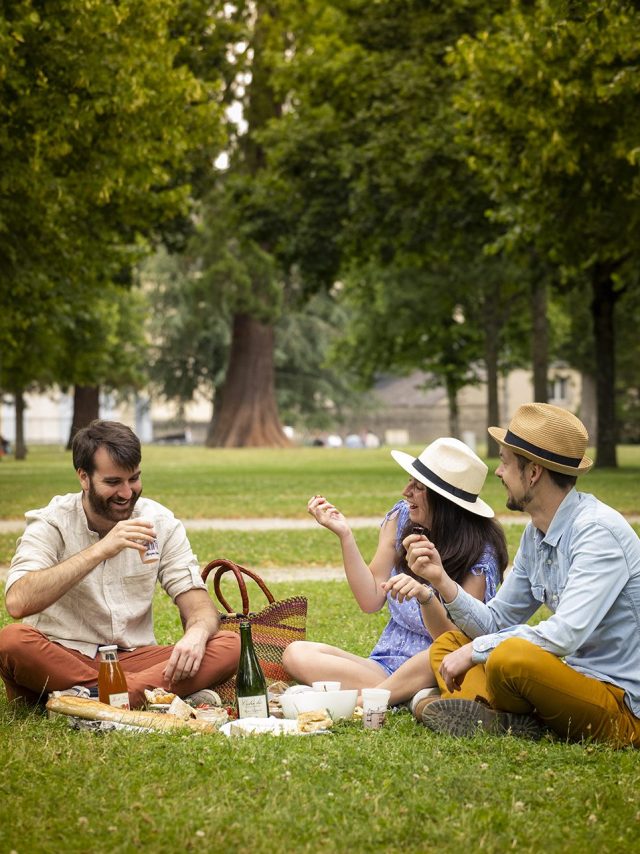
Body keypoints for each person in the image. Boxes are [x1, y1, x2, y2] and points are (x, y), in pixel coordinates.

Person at [407, 403, 640, 747]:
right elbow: (497, 621)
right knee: (449, 644)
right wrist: (442, 580)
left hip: (621, 705)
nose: (498, 472)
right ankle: (504, 720)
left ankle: (486, 711)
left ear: (532, 473)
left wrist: (477, 652)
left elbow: (564, 636)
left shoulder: (597, 532)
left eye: (504, 461)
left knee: (508, 657)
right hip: (572, 681)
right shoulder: (537, 532)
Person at [0, 420, 240, 709]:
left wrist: (197, 634)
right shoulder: (53, 521)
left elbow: (198, 605)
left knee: (230, 645)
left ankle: (86, 700)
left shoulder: (158, 521)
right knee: (11, 641)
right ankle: (140, 695)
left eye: (134, 479)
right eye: (113, 482)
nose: (127, 493)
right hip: (64, 655)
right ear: (84, 478)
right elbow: (18, 602)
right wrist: (100, 549)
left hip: (132, 658)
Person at [283, 437, 508, 708]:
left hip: (439, 667)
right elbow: (370, 600)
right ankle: (400, 697)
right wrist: (344, 534)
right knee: (296, 653)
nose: (406, 491)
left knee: (436, 653)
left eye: (418, 487)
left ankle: (360, 701)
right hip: (383, 667)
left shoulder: (480, 556)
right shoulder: (402, 519)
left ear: (444, 501)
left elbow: (455, 642)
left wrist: (427, 598)